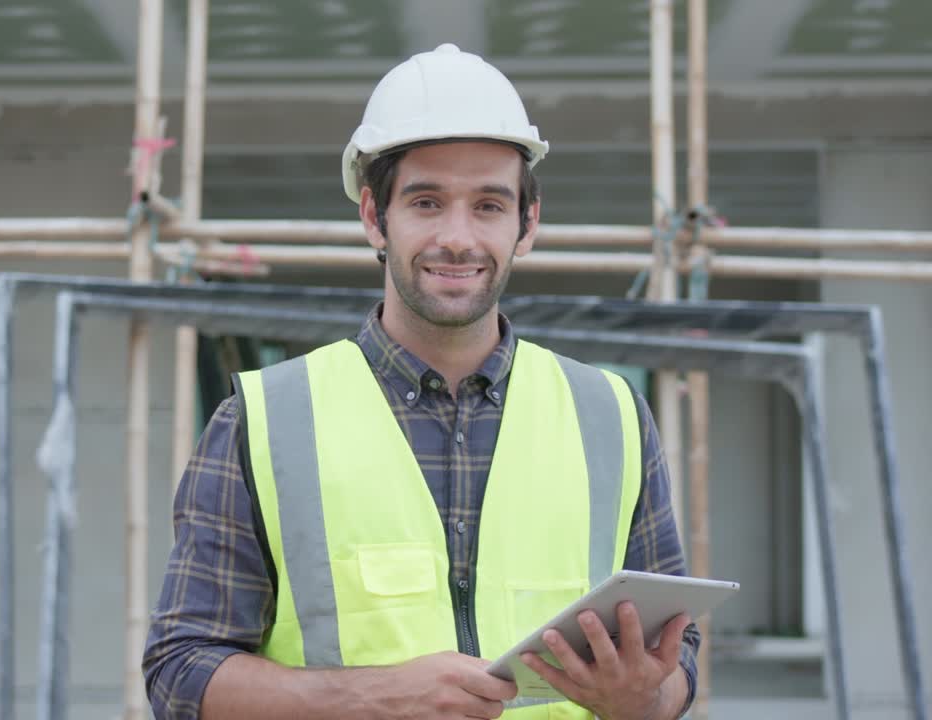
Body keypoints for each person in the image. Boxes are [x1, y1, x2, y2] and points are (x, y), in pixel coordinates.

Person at [143, 44, 699, 720]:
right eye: (428, 202)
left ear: (528, 224)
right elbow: (179, 674)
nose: (458, 238)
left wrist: (641, 699)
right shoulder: (265, 420)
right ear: (376, 218)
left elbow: (678, 658)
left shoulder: (610, 416)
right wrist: (368, 697)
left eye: (489, 206)